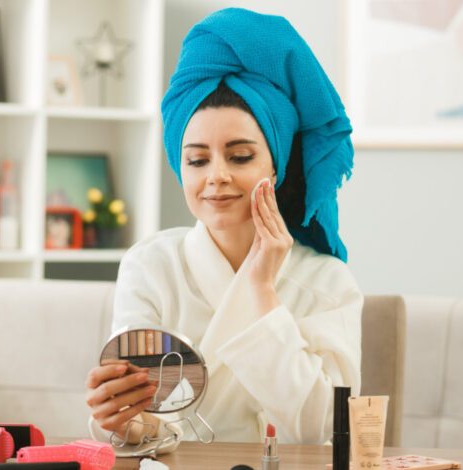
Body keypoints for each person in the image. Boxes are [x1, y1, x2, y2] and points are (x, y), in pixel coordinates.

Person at [84, 8, 361, 455]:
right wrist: (120, 419)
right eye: (197, 160)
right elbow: (141, 424)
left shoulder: (329, 284)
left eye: (240, 157)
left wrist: (260, 290)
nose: (216, 176)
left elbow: (323, 431)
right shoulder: (150, 265)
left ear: (277, 165)